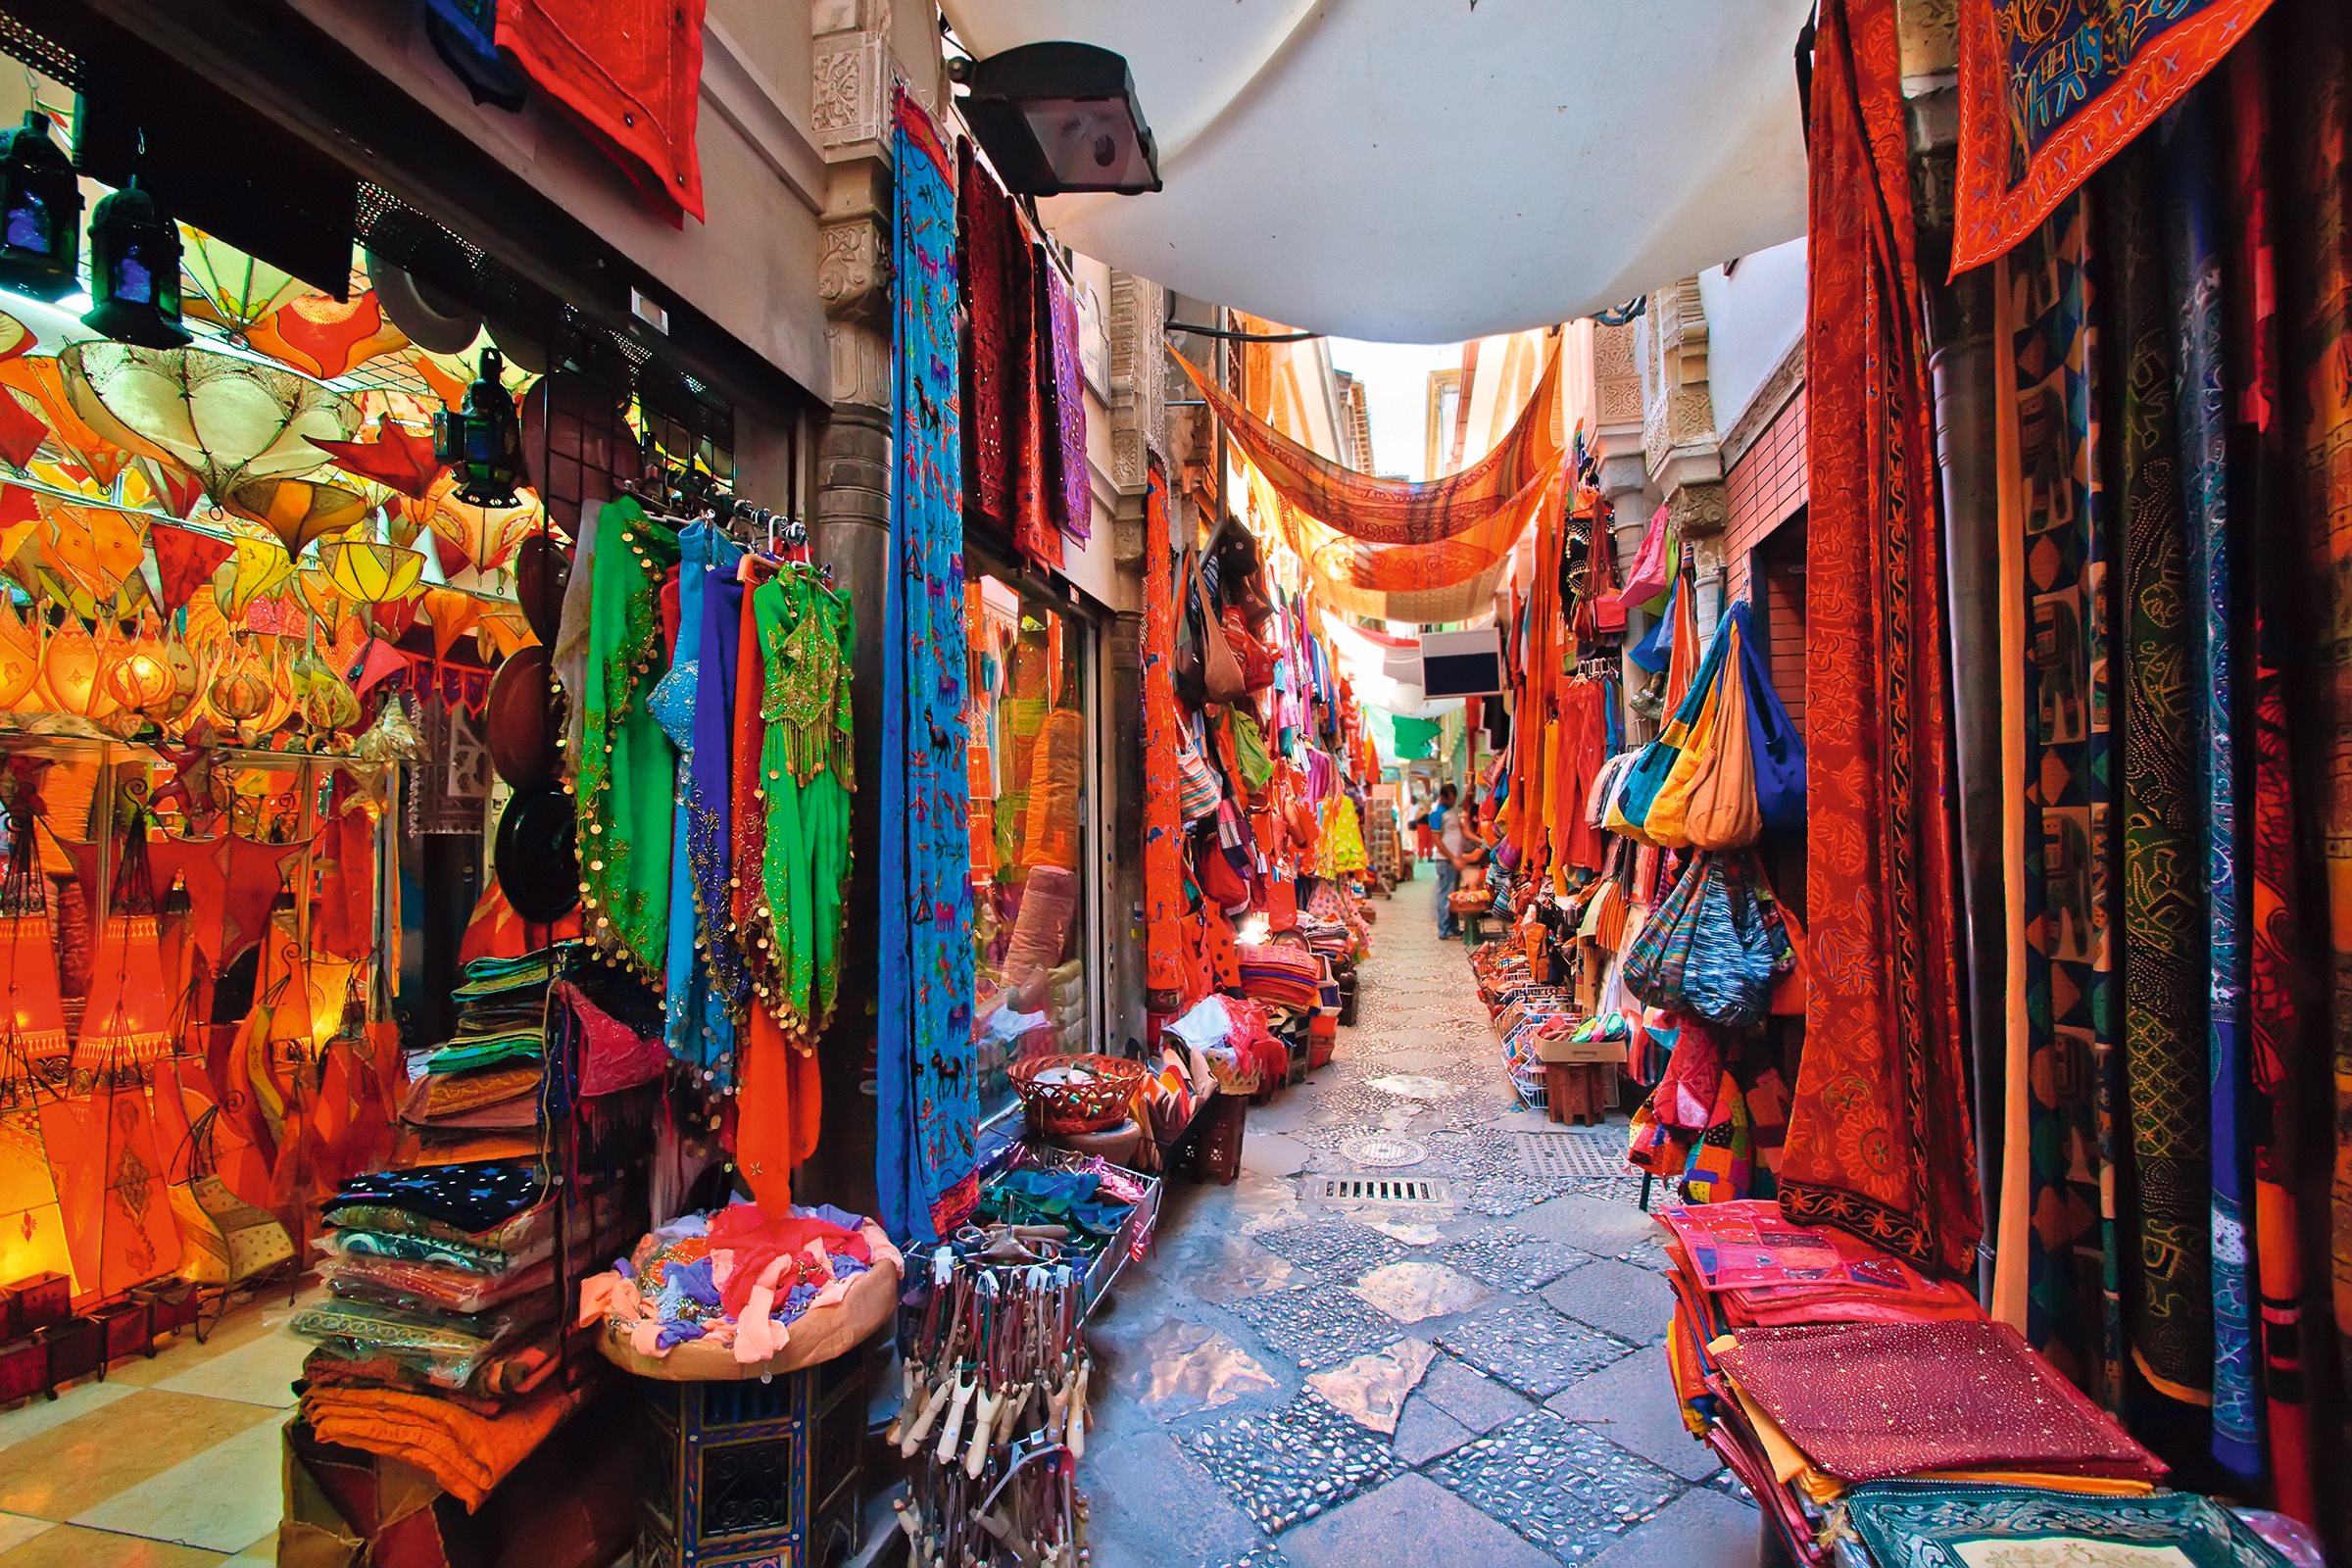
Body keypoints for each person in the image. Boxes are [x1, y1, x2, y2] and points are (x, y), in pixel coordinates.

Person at [1431, 783, 1462, 937]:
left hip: (1452, 860)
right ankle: (1444, 930)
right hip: (1445, 860)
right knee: (1445, 894)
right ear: (1443, 797)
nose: (1453, 802)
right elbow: (1437, 840)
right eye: (1451, 799)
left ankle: (1452, 927)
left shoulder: (1450, 811)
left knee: (1453, 894)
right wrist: (1452, 857)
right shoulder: (1437, 814)